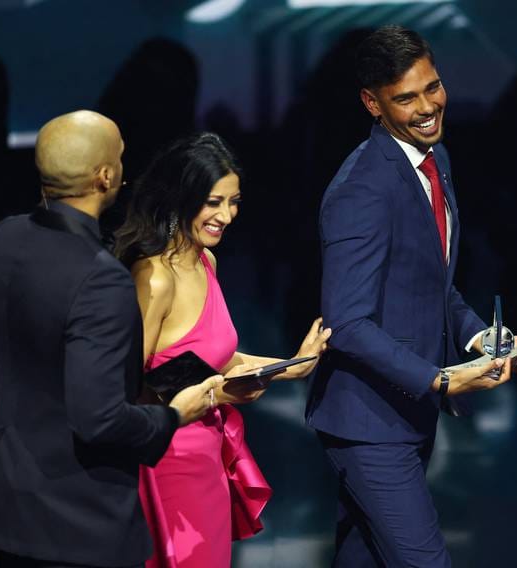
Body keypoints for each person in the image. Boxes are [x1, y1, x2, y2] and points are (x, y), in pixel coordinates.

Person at [305, 26, 517, 567]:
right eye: (406, 98)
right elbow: (347, 324)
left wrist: (487, 338)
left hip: (407, 417)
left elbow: (431, 285)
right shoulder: (361, 189)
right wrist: (441, 378)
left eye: (433, 87)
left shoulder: (433, 160)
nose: (427, 107)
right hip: (369, 427)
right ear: (372, 104)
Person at [0, 110, 219, 568]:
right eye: (121, 156)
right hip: (81, 520)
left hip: (9, 505)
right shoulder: (99, 277)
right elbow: (99, 420)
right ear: (106, 176)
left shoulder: (0, 239)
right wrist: (174, 416)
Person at [113, 132, 331, 568]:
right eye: (214, 202)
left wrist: (294, 367)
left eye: (233, 202)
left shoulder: (206, 262)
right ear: (181, 197)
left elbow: (214, 359)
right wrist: (217, 394)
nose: (226, 215)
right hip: (167, 462)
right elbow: (124, 390)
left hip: (208, 459)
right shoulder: (154, 280)